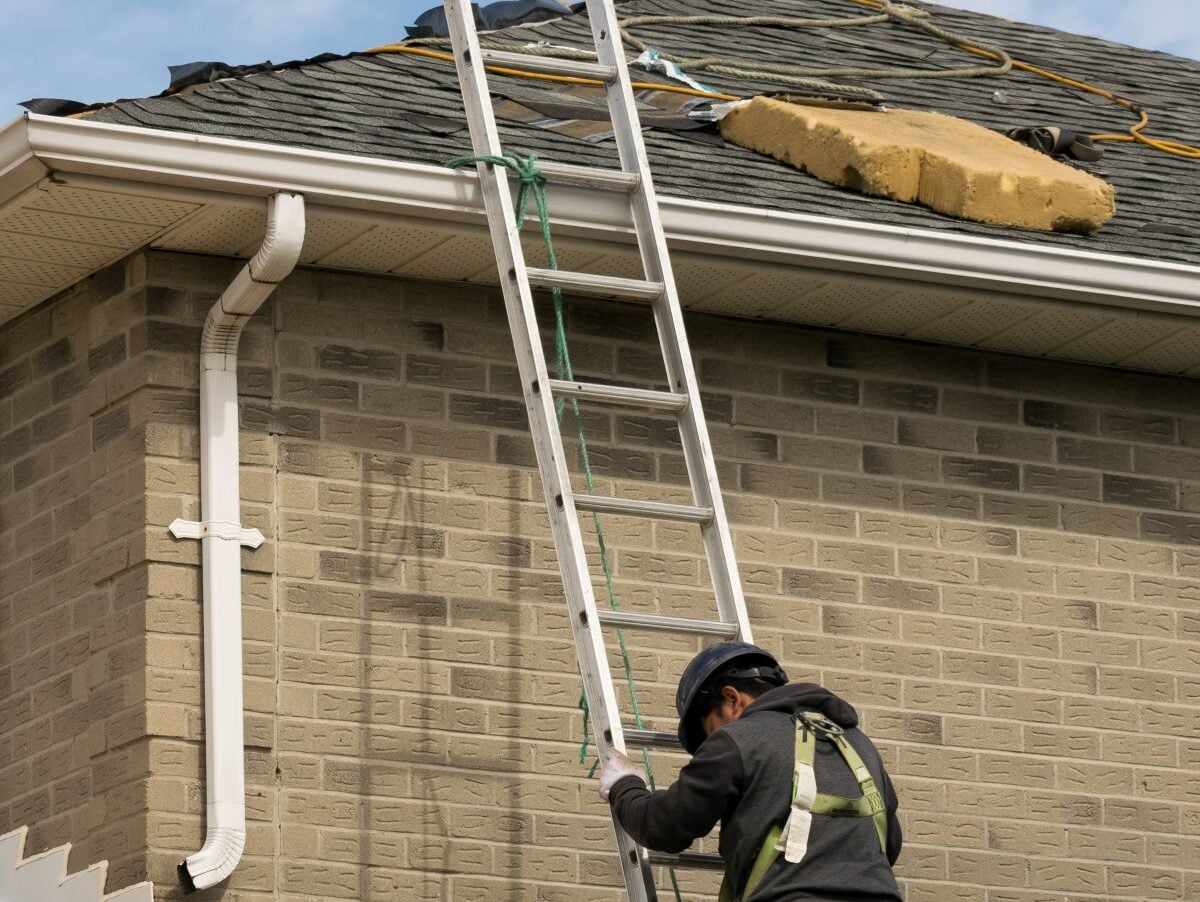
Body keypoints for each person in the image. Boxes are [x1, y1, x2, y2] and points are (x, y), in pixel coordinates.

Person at [599, 642, 902, 901]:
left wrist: (625, 785)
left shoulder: (738, 739)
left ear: (731, 699)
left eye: (710, 731)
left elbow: (664, 826)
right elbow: (889, 844)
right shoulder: (859, 745)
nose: (711, 742)